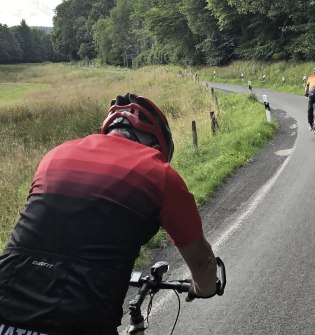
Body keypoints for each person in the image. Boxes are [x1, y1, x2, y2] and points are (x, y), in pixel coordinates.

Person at [0, 93, 221, 335]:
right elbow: (203, 262)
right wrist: (202, 288)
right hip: (79, 318)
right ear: (158, 146)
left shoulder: (54, 155)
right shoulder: (159, 172)